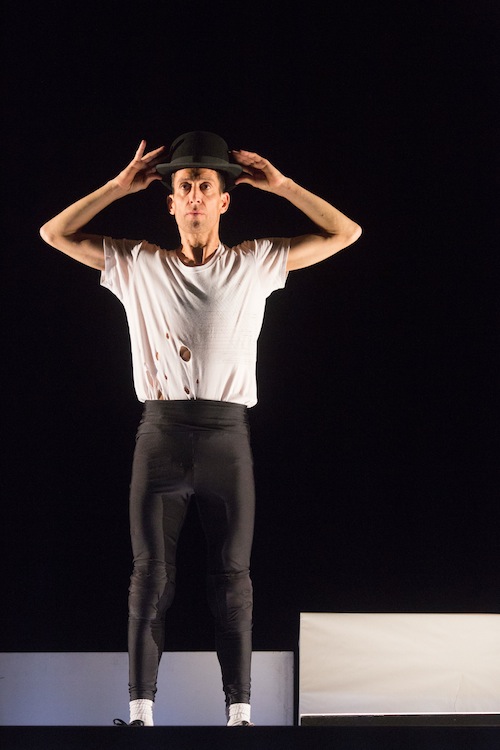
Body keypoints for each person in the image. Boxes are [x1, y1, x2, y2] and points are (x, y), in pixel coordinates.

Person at [39, 131, 362, 727]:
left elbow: (347, 233)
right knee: (149, 577)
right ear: (169, 201)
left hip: (226, 438)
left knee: (232, 578)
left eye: (204, 187)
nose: (192, 196)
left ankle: (240, 714)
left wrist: (284, 185)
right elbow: (53, 234)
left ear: (223, 200)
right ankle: (140, 713)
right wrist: (117, 186)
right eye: (182, 187)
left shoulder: (255, 261)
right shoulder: (138, 263)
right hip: (160, 437)